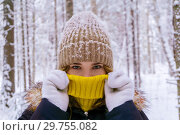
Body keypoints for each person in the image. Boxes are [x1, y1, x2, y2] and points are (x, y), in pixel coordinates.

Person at [18, 12, 148, 120]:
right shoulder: (37, 110)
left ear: (107, 70)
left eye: (96, 67)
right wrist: (51, 110)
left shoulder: (129, 109)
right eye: (76, 67)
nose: (87, 76)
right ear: (64, 69)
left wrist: (124, 111)